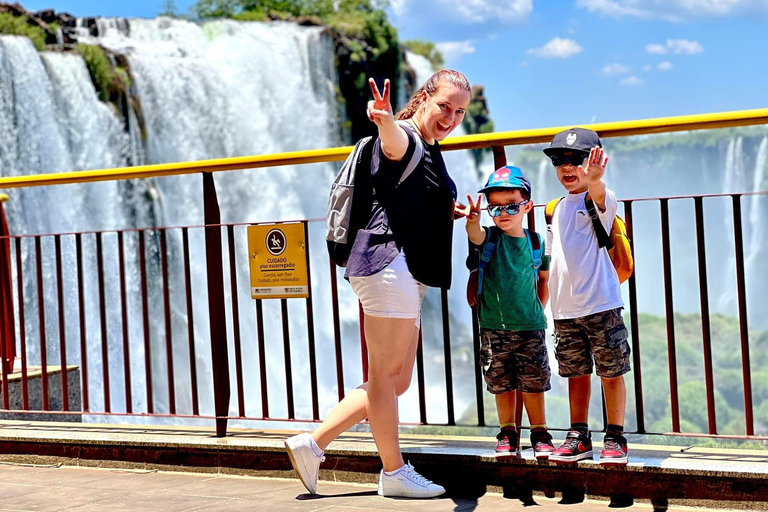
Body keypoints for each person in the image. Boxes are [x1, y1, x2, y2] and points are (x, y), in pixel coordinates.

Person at [285, 70, 472, 497]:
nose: (451, 117)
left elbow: (402, 195)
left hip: (404, 271)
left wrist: (445, 213)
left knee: (396, 379)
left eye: (459, 111)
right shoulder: (405, 136)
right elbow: (391, 144)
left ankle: (312, 443)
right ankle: (393, 472)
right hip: (389, 265)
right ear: (424, 97)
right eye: (444, 106)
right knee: (385, 376)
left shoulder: (430, 148)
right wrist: (383, 119)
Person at [542, 128, 631, 465]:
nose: (568, 166)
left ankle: (615, 436)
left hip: (601, 304)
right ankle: (579, 435)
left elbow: (600, 194)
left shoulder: (600, 200)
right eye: (560, 160)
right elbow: (549, 263)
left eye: (577, 159)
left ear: (594, 160)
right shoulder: (554, 208)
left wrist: (595, 180)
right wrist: (545, 307)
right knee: (575, 373)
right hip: (565, 311)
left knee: (611, 372)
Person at [462, 166, 555, 459]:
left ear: (527, 206)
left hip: (530, 327)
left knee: (533, 383)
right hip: (494, 327)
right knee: (501, 384)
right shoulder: (489, 238)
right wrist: (473, 221)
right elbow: (474, 235)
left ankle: (539, 432)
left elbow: (543, 280)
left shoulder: (536, 242)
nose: (503, 213)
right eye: (496, 207)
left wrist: (537, 309)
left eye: (512, 206)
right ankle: (507, 432)